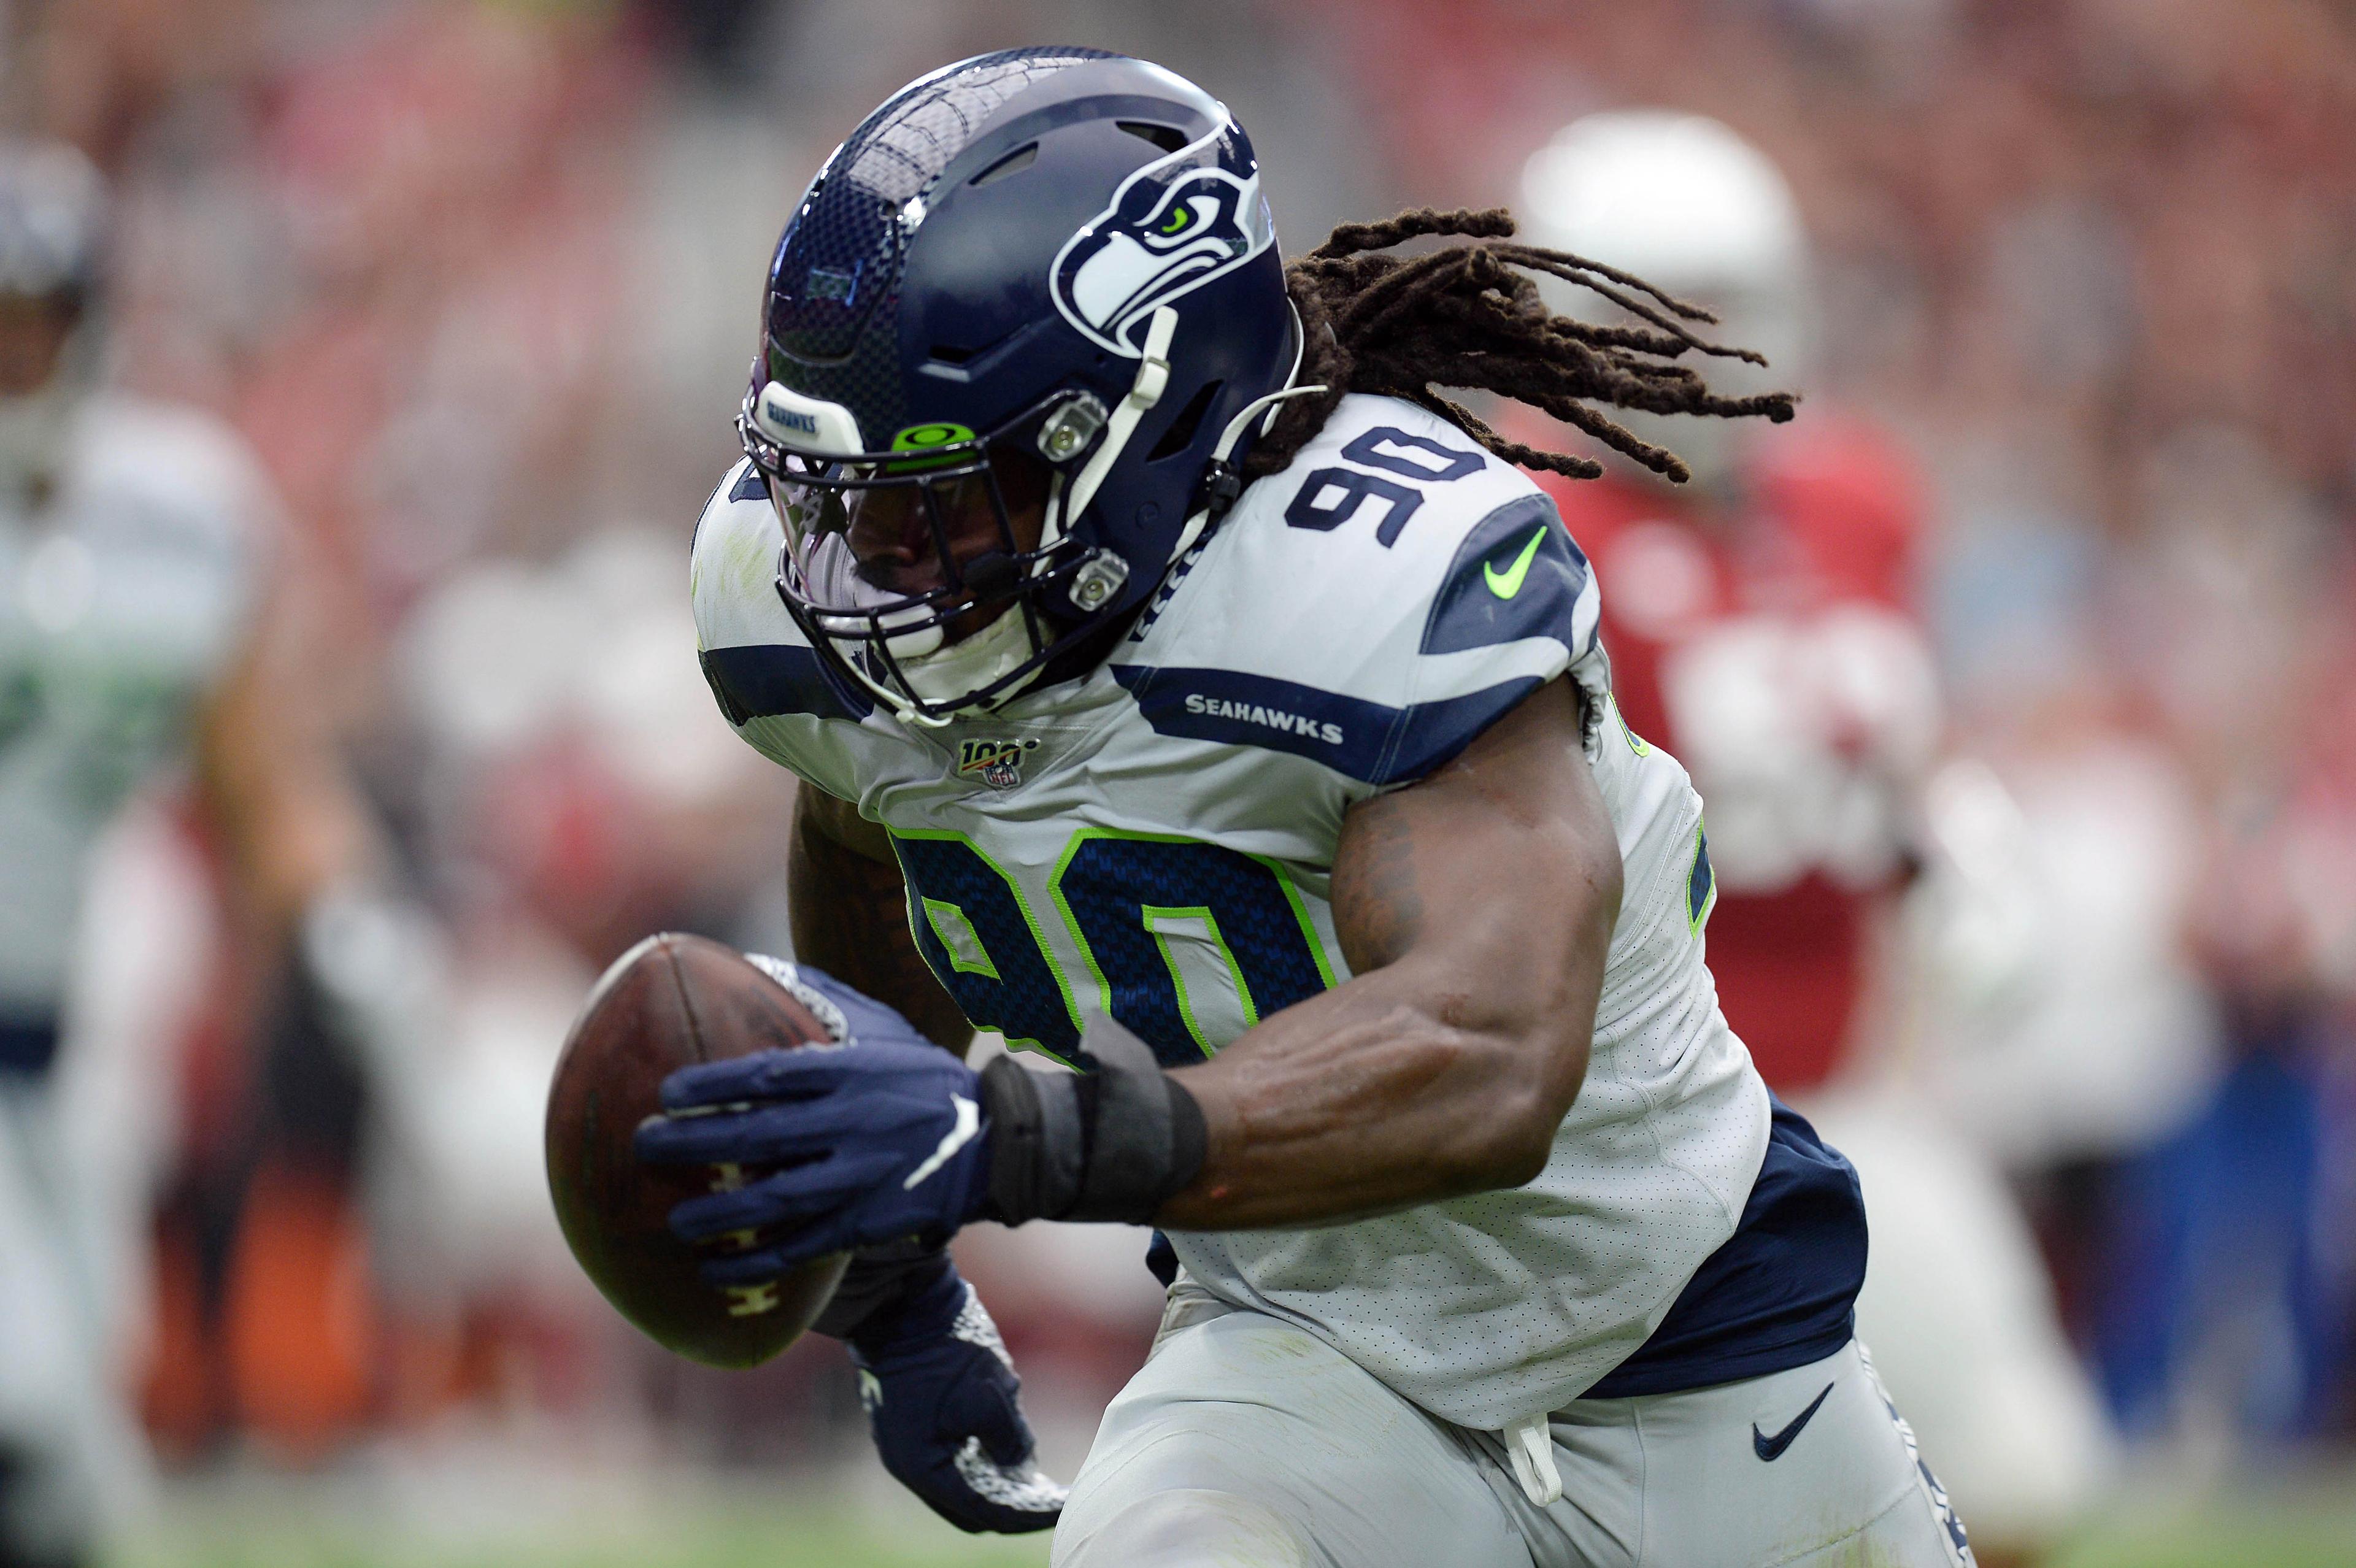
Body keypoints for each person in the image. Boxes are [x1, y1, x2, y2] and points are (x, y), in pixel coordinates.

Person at [641, 50, 1974, 1567]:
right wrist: (893, 1275)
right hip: (1302, 1353)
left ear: (1144, 423)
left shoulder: (1368, 578)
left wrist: (1008, 1136)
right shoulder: (791, 600)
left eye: (942, 498)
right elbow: (863, 821)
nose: (867, 568)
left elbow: (1485, 1056)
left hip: (1692, 1340)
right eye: (840, 496)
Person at [1515, 112, 2114, 1566]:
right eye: (1670, 303)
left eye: (1735, 298)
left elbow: (1906, 758)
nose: (1710, 344)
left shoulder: (1855, 502)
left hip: (1849, 1094)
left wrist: (1965, 853)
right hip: (1619, 1131)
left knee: (2017, 1472)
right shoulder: (1522, 533)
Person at [0, 137, 418, 1566]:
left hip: (51, 1067)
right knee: (27, 1413)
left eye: (30, 323)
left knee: (76, 1483)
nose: (12, 359)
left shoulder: (174, 515)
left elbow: (262, 777)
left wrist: (344, 916)